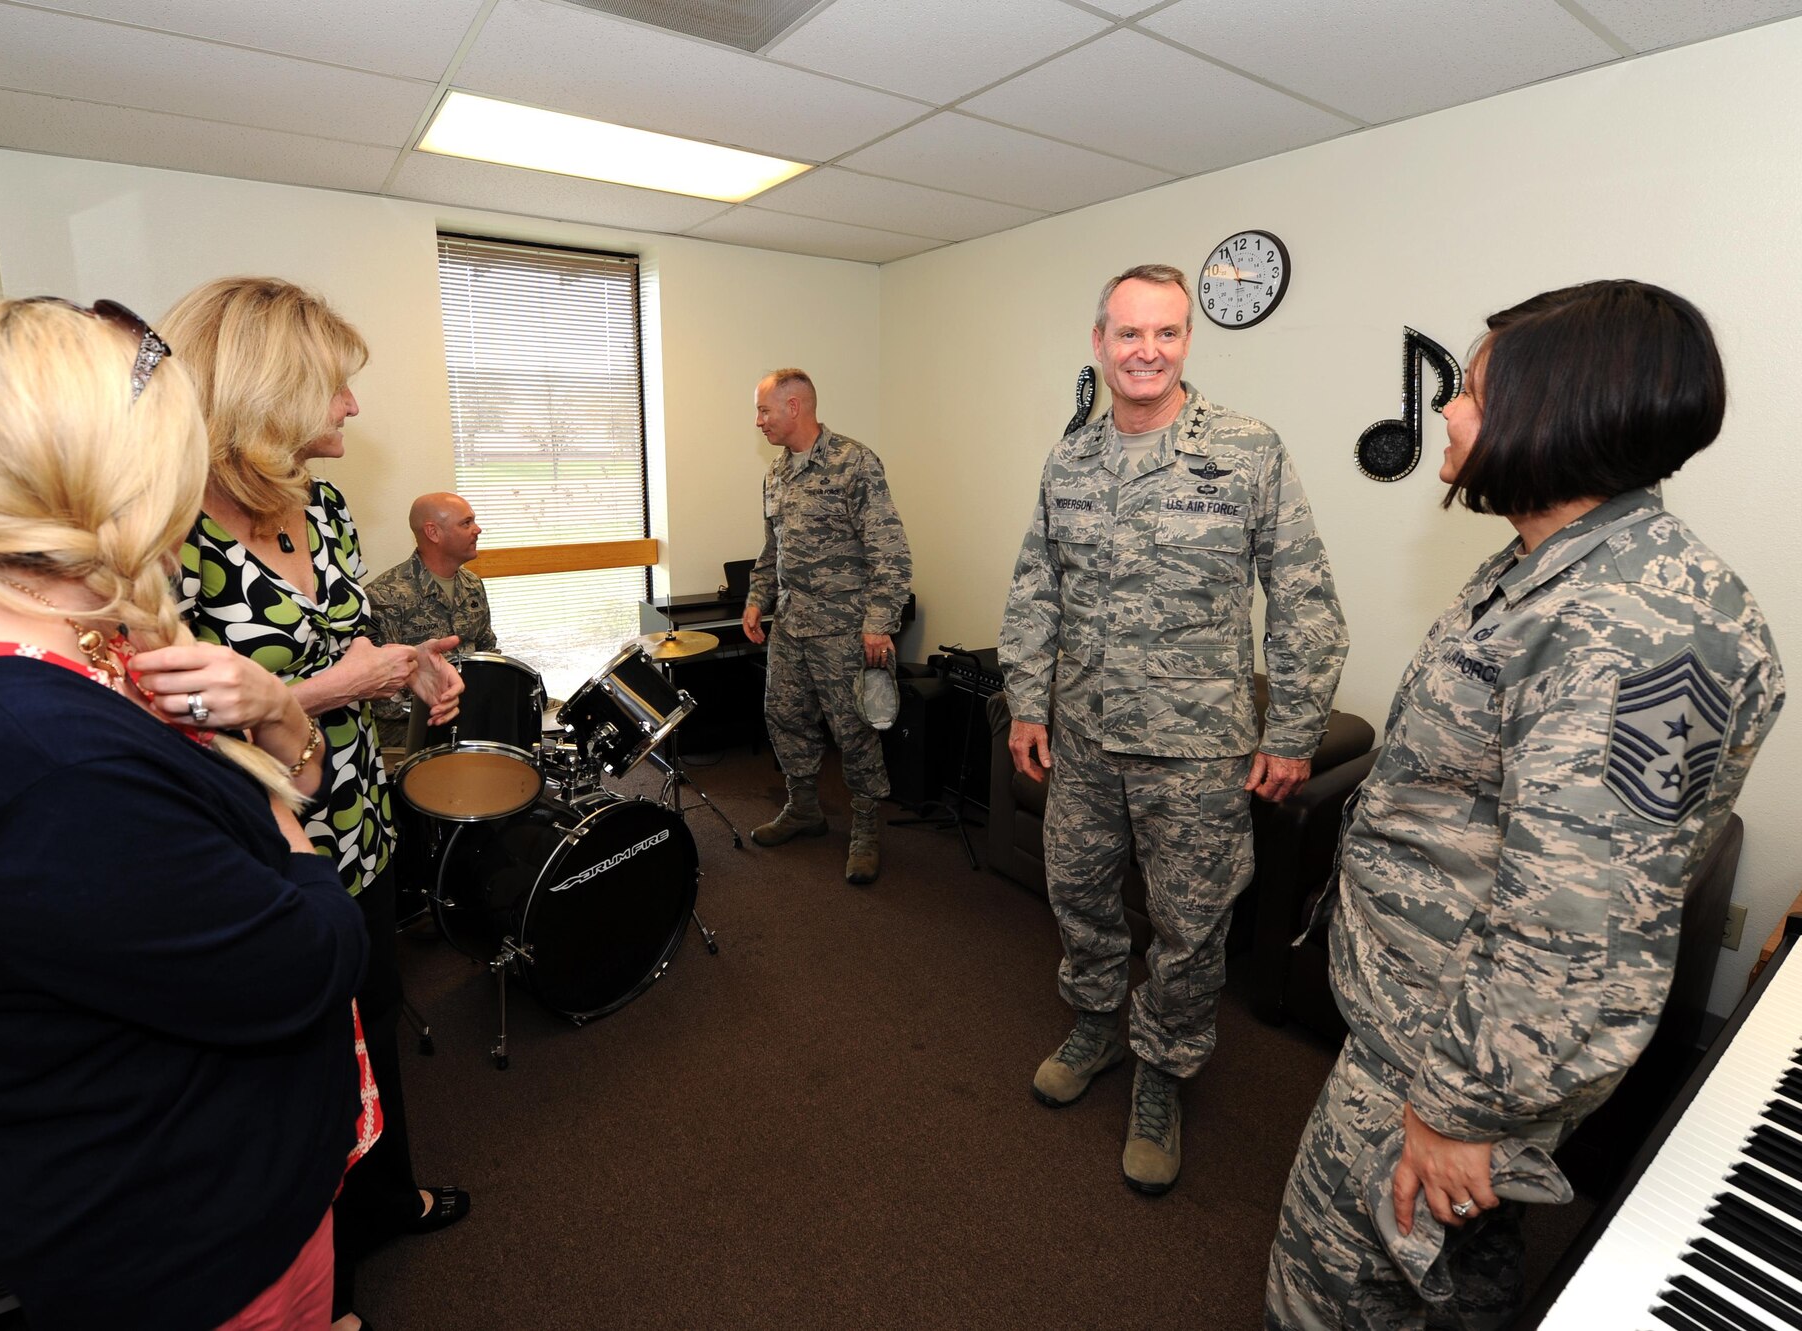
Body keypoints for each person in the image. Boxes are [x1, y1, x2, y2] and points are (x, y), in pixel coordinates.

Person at [0, 298, 368, 1329]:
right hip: (193, 1243)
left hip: (208, 1181)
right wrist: (281, 805)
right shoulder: (37, 759)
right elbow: (307, 952)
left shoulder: (29, 661)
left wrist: (277, 721)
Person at [1264, 280, 1786, 1330]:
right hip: (1429, 1028)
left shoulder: (1637, 621)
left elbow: (1575, 929)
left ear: (1557, 406)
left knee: (1325, 1296)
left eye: (1465, 388)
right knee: (1453, 1276)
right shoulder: (1543, 569)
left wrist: (1461, 1113)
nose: (1447, 412)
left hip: (1447, 1057)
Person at [999, 264, 1348, 1195]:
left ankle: (1164, 1069)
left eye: (1166, 333)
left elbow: (1305, 598)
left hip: (1197, 752)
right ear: (1100, 342)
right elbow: (1037, 588)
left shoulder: (1246, 450)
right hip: (1081, 738)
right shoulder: (1069, 459)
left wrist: (1296, 728)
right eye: (1128, 334)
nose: (1146, 350)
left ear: (1187, 340)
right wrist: (1027, 701)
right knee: (1077, 892)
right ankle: (1097, 1024)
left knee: (1191, 926)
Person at [162, 277, 467, 1331]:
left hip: (358, 813)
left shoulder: (320, 506)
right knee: (294, 1067)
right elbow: (167, 722)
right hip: (260, 843)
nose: (348, 407)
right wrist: (330, 691)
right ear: (269, 394)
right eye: (334, 386)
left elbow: (348, 641)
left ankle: (388, 1195)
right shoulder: (166, 539)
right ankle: (318, 1283)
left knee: (374, 1011)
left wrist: (410, 670)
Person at [743, 368, 912, 886]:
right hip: (792, 623)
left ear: (795, 407)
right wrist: (757, 598)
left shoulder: (853, 463)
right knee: (785, 715)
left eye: (764, 411)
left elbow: (890, 549)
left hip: (845, 627)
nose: (759, 421)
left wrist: (879, 623)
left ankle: (865, 829)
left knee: (854, 730)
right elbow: (774, 548)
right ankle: (804, 809)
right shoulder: (775, 473)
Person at [368, 491, 497, 750]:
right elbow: (381, 693)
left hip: (468, 714)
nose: (478, 529)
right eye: (466, 523)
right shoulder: (385, 595)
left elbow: (487, 651)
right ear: (433, 532)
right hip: (411, 729)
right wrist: (445, 701)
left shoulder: (472, 585)